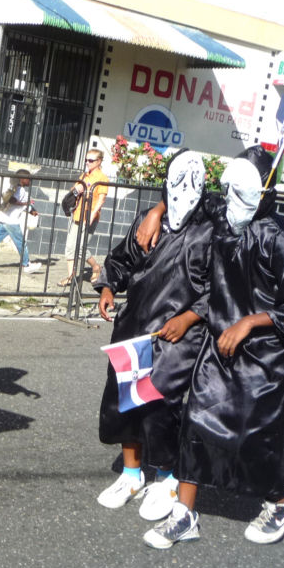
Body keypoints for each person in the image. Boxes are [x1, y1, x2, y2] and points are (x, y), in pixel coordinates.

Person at [136, 146, 284, 549]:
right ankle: (184, 515)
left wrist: (251, 321)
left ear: (263, 187)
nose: (229, 195)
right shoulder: (222, 216)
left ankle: (282, 501)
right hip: (219, 346)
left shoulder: (283, 240)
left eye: (242, 187)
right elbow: (189, 197)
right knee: (195, 421)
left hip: (267, 357)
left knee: (250, 440)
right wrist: (157, 210)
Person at [93, 151, 212, 521]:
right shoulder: (148, 224)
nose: (182, 193)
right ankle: (131, 474)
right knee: (124, 396)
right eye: (174, 186)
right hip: (136, 324)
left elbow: (221, 288)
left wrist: (192, 316)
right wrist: (108, 286)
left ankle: (166, 477)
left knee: (162, 401)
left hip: (177, 332)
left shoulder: (210, 230)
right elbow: (121, 259)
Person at [0, 168, 43, 274]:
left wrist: (31, 210)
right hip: (11, 221)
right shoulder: (19, 190)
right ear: (22, 179)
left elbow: (18, 203)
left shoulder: (16, 189)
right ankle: (27, 264)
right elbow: (12, 200)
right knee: (21, 243)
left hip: (3, 219)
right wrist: (25, 204)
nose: (30, 181)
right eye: (28, 179)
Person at [58, 149, 109, 288]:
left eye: (91, 160)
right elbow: (73, 192)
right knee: (70, 247)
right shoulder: (84, 175)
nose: (87, 162)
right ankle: (71, 277)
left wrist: (92, 215)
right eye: (86, 160)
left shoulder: (102, 178)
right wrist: (76, 190)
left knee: (81, 248)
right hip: (77, 214)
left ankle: (96, 267)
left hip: (90, 216)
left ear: (99, 162)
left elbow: (101, 199)